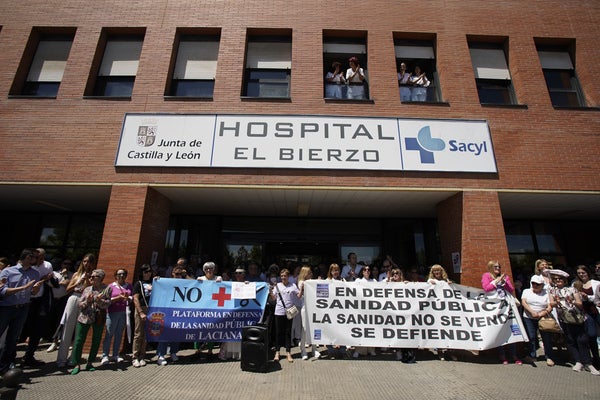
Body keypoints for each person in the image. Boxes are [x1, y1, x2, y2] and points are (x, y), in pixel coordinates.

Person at [549, 268, 599, 375]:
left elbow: (580, 304)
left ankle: (588, 363)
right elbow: (551, 304)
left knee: (582, 340)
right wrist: (556, 302)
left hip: (577, 318)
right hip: (564, 318)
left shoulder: (572, 289)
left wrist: (572, 301)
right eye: (556, 279)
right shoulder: (553, 291)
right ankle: (578, 361)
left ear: (564, 280)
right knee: (570, 340)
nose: (557, 281)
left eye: (560, 279)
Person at [0, 249, 41, 374]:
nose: (35, 260)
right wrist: (22, 288)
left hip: (23, 307)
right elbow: (2, 291)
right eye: (33, 258)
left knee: (13, 337)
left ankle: (7, 363)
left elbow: (33, 293)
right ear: (27, 258)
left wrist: (35, 289)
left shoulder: (35, 273)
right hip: (7, 307)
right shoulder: (8, 271)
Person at [56, 253, 96, 368]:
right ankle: (61, 359)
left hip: (85, 301)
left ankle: (74, 358)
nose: (86, 264)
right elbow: (68, 289)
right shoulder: (76, 274)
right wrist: (78, 282)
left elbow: (90, 289)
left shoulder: (93, 275)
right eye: (84, 261)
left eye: (88, 262)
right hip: (74, 298)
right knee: (67, 328)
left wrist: (87, 279)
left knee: (80, 330)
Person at [70, 269, 111, 375]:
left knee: (96, 340)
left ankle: (90, 362)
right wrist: (87, 302)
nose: (91, 278)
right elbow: (80, 304)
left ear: (101, 278)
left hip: (98, 318)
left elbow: (107, 304)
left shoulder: (106, 289)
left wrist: (99, 301)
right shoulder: (87, 289)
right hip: (85, 317)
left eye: (94, 277)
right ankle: (76, 363)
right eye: (91, 277)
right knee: (79, 340)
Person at [481, 260, 521, 364]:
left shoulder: (505, 277)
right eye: (495, 267)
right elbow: (486, 288)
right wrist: (496, 281)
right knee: (499, 329)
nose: (498, 269)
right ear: (490, 268)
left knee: (511, 329)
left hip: (506, 306)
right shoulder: (486, 276)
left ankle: (514, 355)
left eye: (499, 267)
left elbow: (511, 289)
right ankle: (502, 356)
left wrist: (504, 282)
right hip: (495, 307)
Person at [21, 248, 55, 367]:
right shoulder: (28, 267)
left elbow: (51, 282)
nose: (38, 259)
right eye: (36, 256)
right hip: (26, 300)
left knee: (37, 329)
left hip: (40, 301)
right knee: (22, 327)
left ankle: (29, 356)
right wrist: (43, 278)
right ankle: (11, 357)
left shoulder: (47, 265)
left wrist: (48, 279)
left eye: (41, 256)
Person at [521, 275, 555, 366]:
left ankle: (549, 357)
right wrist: (532, 312)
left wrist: (541, 313)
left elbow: (550, 306)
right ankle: (532, 355)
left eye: (538, 284)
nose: (535, 285)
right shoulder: (526, 291)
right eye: (533, 283)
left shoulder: (546, 292)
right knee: (531, 337)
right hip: (529, 317)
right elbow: (524, 302)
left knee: (546, 337)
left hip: (543, 317)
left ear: (542, 285)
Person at [101, 268, 132, 365]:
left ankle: (115, 354)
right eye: (119, 274)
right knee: (109, 333)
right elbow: (105, 299)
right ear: (116, 276)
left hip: (123, 312)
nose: (121, 276)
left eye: (123, 274)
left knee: (119, 334)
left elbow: (132, 297)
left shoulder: (129, 286)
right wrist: (118, 298)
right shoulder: (111, 286)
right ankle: (105, 355)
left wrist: (128, 298)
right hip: (112, 312)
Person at [571, 265, 600, 368]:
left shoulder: (596, 283)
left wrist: (588, 297)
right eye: (579, 273)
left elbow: (597, 298)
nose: (581, 275)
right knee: (592, 335)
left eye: (583, 272)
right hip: (585, 312)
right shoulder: (575, 284)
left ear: (588, 272)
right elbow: (574, 298)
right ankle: (596, 358)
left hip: (596, 310)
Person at [156, 266, 183, 365]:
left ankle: (173, 352)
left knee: (176, 333)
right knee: (164, 333)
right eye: (177, 274)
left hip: (179, 312)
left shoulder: (185, 283)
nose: (179, 276)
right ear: (172, 273)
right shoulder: (166, 282)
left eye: (181, 274)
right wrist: (156, 281)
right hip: (167, 311)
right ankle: (161, 355)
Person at [270, 268, 299, 363]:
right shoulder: (277, 285)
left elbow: (299, 296)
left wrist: (302, 288)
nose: (283, 277)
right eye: (282, 276)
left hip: (289, 312)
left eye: (285, 276)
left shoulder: (293, 285)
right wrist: (270, 292)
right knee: (278, 332)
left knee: (288, 332)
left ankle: (288, 352)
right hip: (279, 311)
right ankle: (277, 352)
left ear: (288, 276)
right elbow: (274, 298)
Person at [46, 259, 73, 353]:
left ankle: (57, 340)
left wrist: (65, 277)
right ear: (61, 264)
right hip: (53, 299)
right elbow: (52, 285)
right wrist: (60, 283)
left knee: (60, 321)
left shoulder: (72, 275)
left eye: (69, 264)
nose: (67, 265)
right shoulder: (54, 273)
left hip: (63, 299)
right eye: (65, 263)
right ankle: (51, 340)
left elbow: (68, 285)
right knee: (51, 319)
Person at [296, 265, 320, 360]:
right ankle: (303, 349)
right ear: (305, 273)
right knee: (305, 328)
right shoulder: (301, 282)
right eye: (309, 272)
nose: (311, 274)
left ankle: (314, 349)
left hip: (314, 307)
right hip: (305, 307)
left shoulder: (311, 281)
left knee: (314, 327)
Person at [353, 265, 377, 358]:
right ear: (362, 272)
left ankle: (371, 349)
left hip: (371, 309)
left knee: (370, 329)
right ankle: (358, 350)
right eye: (365, 270)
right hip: (361, 309)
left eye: (368, 270)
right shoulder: (358, 281)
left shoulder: (374, 281)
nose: (367, 271)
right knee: (360, 329)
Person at [131, 265, 153, 367]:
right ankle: (135, 357)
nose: (148, 273)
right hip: (142, 308)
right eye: (146, 272)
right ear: (142, 273)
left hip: (151, 309)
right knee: (138, 333)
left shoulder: (154, 283)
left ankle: (142, 356)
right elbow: (135, 298)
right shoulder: (138, 284)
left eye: (149, 271)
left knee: (146, 334)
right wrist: (140, 312)